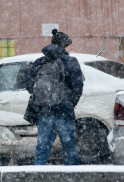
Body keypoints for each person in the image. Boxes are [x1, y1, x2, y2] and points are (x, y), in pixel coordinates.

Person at [24, 29, 84, 165]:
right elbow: (78, 87)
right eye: (70, 45)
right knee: (69, 149)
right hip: (65, 113)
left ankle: (38, 177)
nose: (72, 48)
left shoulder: (40, 61)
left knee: (42, 149)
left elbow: (29, 86)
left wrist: (44, 100)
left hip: (44, 113)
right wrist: (69, 103)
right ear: (63, 46)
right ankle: (72, 177)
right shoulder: (71, 61)